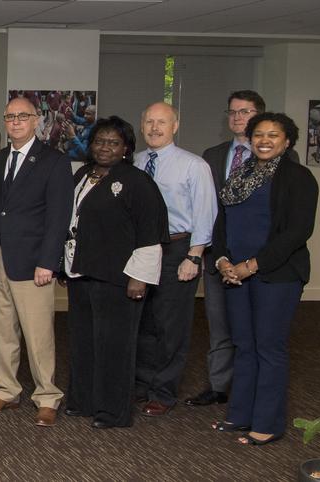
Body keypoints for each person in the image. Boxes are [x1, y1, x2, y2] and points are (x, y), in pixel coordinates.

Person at [210, 112, 317, 446]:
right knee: (244, 346)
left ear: (287, 141)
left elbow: (298, 232)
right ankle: (241, 415)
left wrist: (252, 265)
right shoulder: (240, 174)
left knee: (269, 347)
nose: (265, 141)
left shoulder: (298, 177)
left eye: (273, 135)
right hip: (235, 273)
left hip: (277, 275)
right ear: (250, 139)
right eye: (259, 134)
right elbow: (223, 221)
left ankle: (268, 423)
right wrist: (224, 259)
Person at [188, 90, 298, 407]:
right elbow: (213, 208)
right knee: (220, 324)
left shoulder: (285, 161)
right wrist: (217, 254)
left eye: (245, 111)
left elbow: (287, 220)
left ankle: (251, 393)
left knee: (261, 335)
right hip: (221, 253)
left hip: (264, 262)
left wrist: (254, 261)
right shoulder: (213, 154)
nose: (238, 117)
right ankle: (220, 386)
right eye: (233, 112)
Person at [62, 117, 167, 429]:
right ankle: (83, 401)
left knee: (115, 346)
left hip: (119, 278)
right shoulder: (82, 174)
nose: (105, 147)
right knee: (83, 341)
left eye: (113, 143)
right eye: (99, 141)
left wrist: (140, 277)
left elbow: (151, 232)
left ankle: (112, 412)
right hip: (81, 273)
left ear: (126, 149)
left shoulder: (137, 182)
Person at [0, 96, 72, 427]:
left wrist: (48, 262)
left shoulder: (54, 161)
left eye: (22, 116)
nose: (15, 122)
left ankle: (47, 396)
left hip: (33, 262)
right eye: (10, 116)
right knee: (0, 329)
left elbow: (59, 217)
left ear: (36, 120)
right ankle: (6, 390)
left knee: (38, 332)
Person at [133, 102, 217, 418]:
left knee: (171, 325)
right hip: (140, 252)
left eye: (162, 122)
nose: (155, 128)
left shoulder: (193, 166)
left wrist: (194, 256)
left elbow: (205, 214)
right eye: (150, 122)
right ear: (142, 125)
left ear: (175, 126)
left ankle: (163, 391)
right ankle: (141, 383)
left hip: (177, 250)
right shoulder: (135, 163)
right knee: (141, 321)